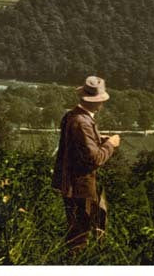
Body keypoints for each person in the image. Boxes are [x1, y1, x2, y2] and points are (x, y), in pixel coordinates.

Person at [51, 75, 121, 253]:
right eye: (101, 100)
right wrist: (110, 144)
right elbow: (94, 159)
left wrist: (98, 139)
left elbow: (77, 147)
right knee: (80, 236)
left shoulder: (72, 116)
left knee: (76, 230)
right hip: (80, 187)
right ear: (96, 102)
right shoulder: (83, 122)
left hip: (69, 184)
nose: (102, 104)